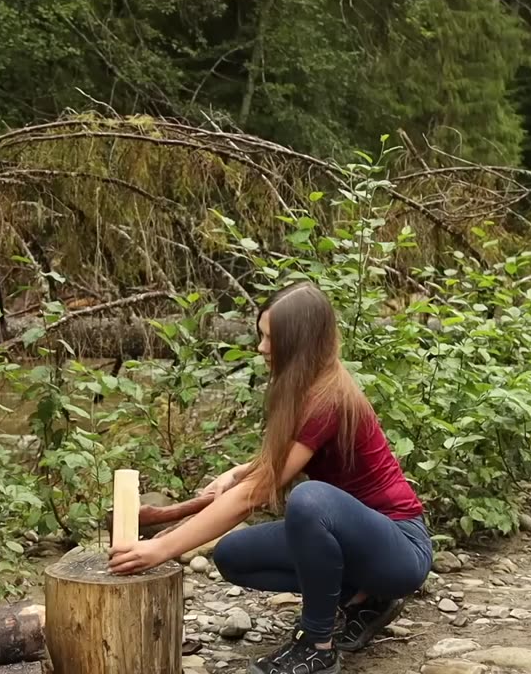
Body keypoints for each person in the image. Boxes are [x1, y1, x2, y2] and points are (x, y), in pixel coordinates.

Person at [109, 281, 432, 674]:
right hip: (358, 544)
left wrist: (162, 550)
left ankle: (318, 645)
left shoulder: (328, 398)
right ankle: (364, 599)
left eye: (269, 339)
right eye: (261, 335)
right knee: (233, 556)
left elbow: (254, 495)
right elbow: (279, 462)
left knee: (309, 501)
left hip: (400, 547)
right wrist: (239, 471)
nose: (261, 348)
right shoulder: (308, 383)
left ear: (300, 342)